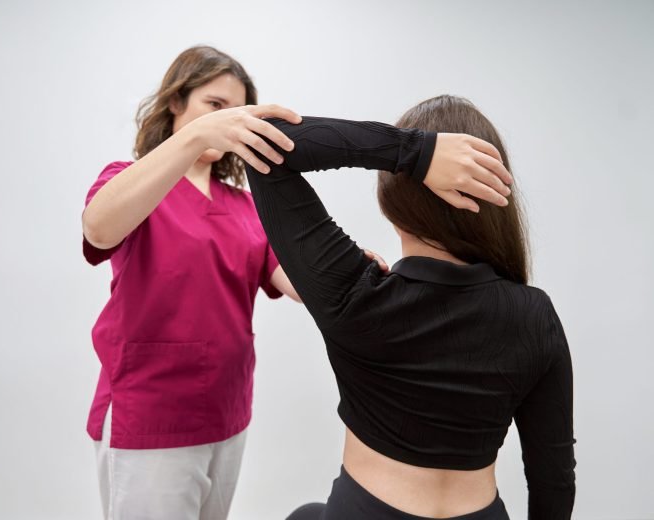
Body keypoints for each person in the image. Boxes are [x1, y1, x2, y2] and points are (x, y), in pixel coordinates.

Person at [81, 43, 514, 520]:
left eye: (238, 110)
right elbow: (99, 228)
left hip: (225, 409)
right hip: (151, 414)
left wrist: (354, 277)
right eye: (214, 106)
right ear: (175, 104)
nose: (228, 121)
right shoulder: (128, 178)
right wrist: (193, 139)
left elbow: (287, 274)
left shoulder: (243, 206)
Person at [243, 96, 576, 519]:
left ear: (392, 199)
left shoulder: (353, 294)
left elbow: (261, 144)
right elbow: (554, 479)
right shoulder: (535, 315)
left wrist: (414, 153)